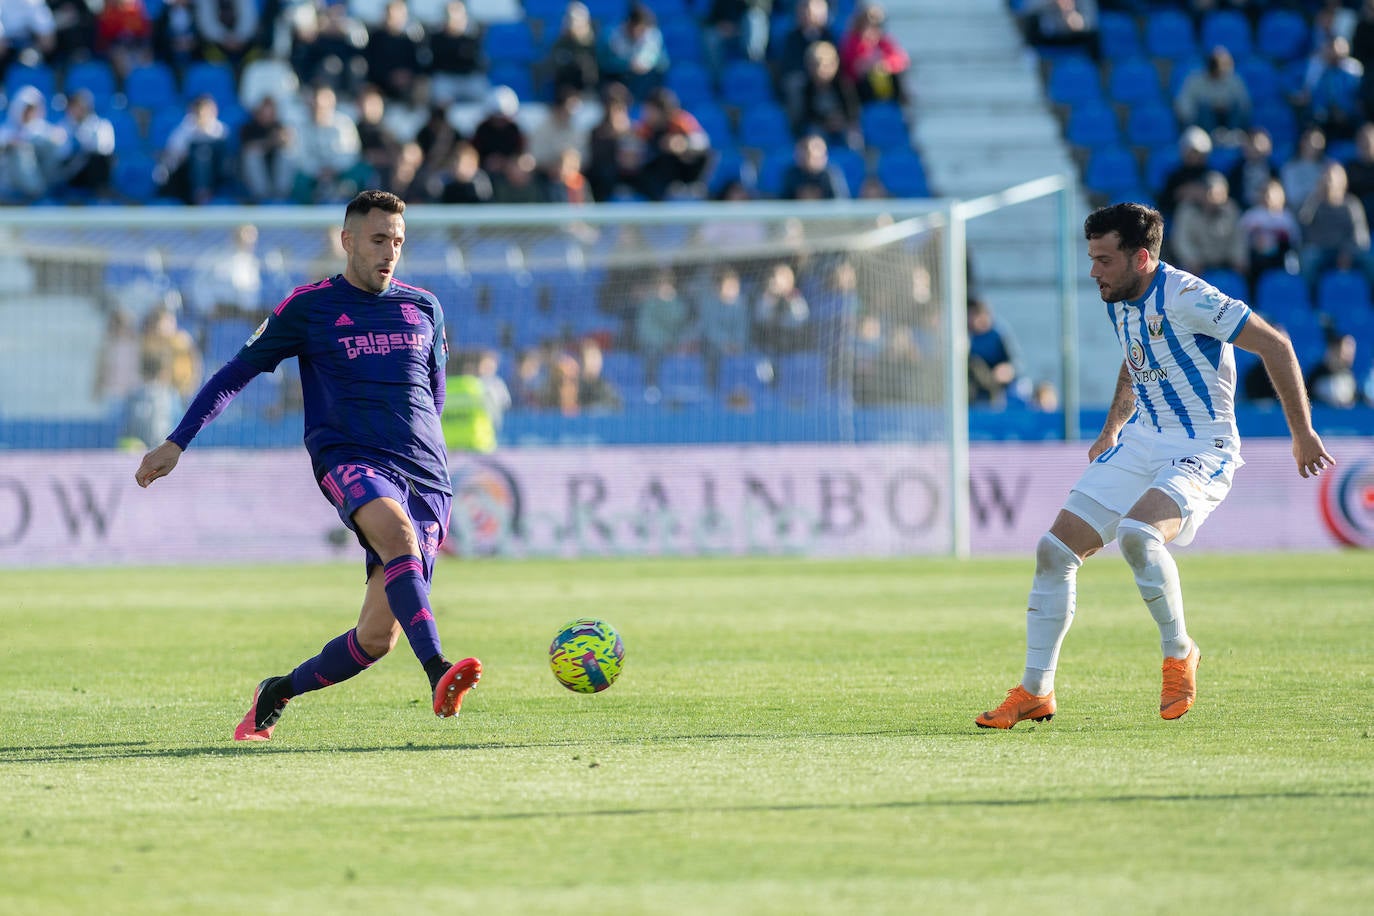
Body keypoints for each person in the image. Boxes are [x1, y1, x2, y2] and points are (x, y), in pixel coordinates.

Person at [133, 190, 483, 741]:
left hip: (426, 479)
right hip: (351, 460)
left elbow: (433, 397)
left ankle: (278, 690)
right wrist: (177, 441)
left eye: (397, 241)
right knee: (397, 539)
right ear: (347, 241)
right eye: (377, 240)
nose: (389, 252)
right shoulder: (309, 306)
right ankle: (439, 670)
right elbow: (234, 374)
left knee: (376, 639)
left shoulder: (425, 306)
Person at [975, 202, 1334, 730]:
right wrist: (1113, 427)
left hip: (1202, 446)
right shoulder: (1118, 294)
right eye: (1091, 258)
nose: (1093, 271)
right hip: (1143, 438)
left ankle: (1179, 653)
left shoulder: (1189, 296)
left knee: (1140, 536)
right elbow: (1135, 354)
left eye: (1103, 259)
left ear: (1141, 257)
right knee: (1053, 552)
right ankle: (1035, 691)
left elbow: (1276, 346)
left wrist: (1302, 434)